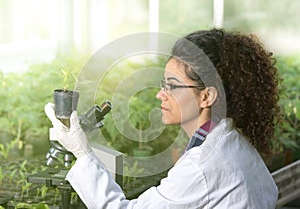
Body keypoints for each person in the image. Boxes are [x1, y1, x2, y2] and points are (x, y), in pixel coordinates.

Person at [45, 28, 281, 208]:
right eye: (163, 84)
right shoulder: (231, 139)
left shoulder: (202, 167)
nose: (160, 95)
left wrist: (83, 154)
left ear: (207, 96)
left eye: (172, 86)